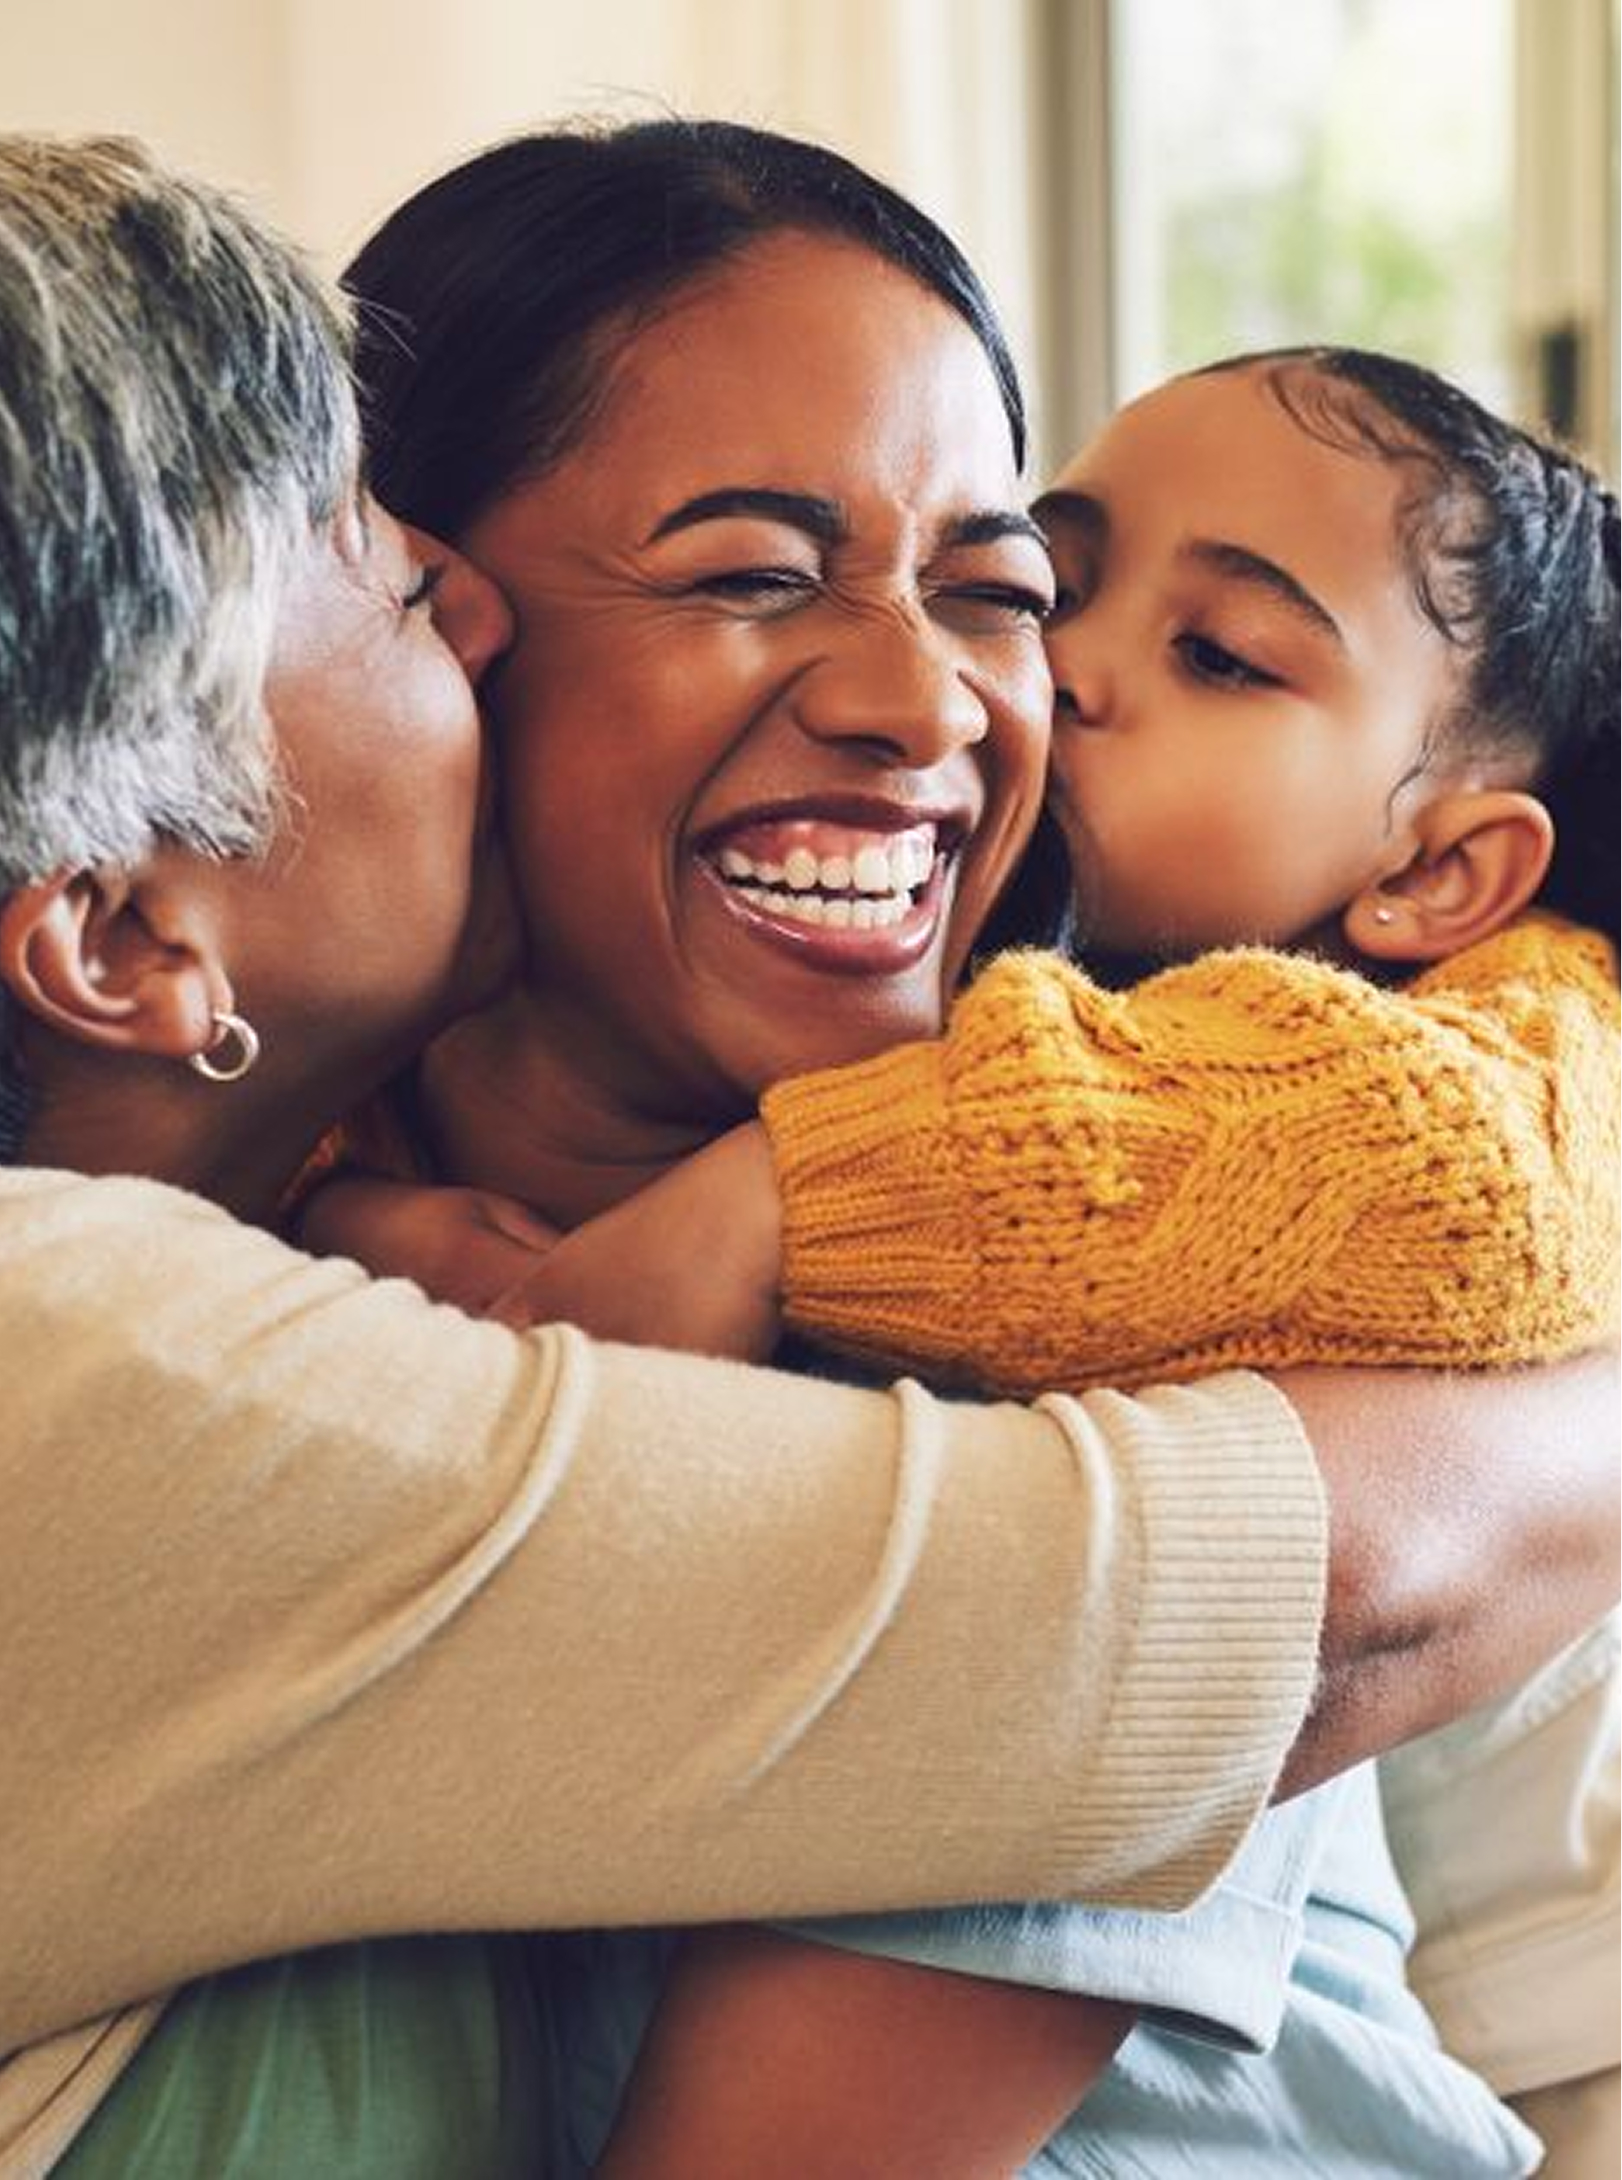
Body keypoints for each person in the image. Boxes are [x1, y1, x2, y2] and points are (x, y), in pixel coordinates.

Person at [5, 134, 1609, 2178]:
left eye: (994, 589)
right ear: (453, 620)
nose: (925, 698)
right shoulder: (173, 1322)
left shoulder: (1126, 1264)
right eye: (748, 571)